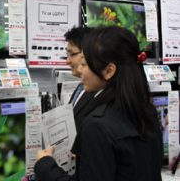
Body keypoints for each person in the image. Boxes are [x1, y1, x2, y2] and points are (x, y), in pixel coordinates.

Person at [35, 26, 163, 181]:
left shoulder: (97, 126)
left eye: (85, 64)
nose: (81, 70)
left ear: (109, 70)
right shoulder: (147, 112)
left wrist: (45, 166)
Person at [64, 26, 94, 130]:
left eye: (72, 54)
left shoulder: (97, 91)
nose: (67, 61)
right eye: (67, 54)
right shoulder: (81, 86)